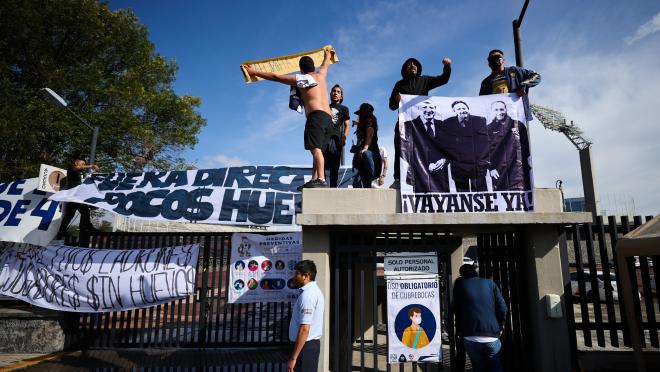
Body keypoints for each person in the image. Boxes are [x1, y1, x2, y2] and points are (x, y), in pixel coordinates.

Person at [243, 49, 335, 189]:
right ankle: (315, 179)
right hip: (329, 119)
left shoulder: (303, 79)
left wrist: (254, 72)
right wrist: (328, 55)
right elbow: (325, 65)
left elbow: (275, 77)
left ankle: (321, 179)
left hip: (316, 117)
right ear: (313, 67)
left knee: (315, 149)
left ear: (301, 69)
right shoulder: (321, 75)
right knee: (318, 151)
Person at [479, 49, 539, 190]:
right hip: (496, 126)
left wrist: (523, 85)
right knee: (497, 151)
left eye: (498, 57)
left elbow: (536, 76)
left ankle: (524, 185)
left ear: (503, 59)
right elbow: (480, 103)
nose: (495, 60)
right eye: (491, 58)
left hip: (516, 119)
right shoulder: (486, 82)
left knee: (518, 149)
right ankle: (500, 185)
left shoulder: (514, 72)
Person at [388, 56, 452, 189]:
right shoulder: (399, 84)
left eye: (415, 65)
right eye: (409, 65)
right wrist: (396, 99)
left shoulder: (425, 80)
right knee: (401, 149)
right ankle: (398, 179)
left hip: (421, 125)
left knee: (423, 150)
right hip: (403, 124)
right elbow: (391, 106)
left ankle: (424, 178)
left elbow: (443, 79)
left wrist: (447, 67)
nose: (413, 66)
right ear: (405, 69)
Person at [453, 264, 507, 372]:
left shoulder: (460, 286)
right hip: (491, 334)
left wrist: (459, 329)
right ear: (475, 271)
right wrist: (500, 326)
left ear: (462, 275)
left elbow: (456, 310)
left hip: (469, 336)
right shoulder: (490, 284)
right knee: (496, 367)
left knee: (478, 367)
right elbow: (503, 308)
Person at [400, 100, 450, 192]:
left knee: (443, 203)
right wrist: (424, 163)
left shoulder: (443, 125)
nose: (428, 110)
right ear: (418, 109)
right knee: (421, 204)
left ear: (435, 110)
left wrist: (444, 159)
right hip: (418, 174)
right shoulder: (409, 125)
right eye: (425, 107)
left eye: (431, 108)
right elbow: (404, 149)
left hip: (441, 176)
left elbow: (450, 147)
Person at [443, 101, 489, 192]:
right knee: (463, 196)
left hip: (477, 166)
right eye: (459, 109)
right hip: (458, 167)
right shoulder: (448, 122)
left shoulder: (479, 120)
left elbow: (484, 142)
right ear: (454, 111)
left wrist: (483, 161)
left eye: (464, 108)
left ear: (468, 109)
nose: (462, 110)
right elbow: (447, 144)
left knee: (482, 195)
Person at [288, 260, 325, 372]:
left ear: (306, 276)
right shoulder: (311, 292)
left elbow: (304, 329)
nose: (294, 276)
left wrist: (293, 358)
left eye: (297, 274)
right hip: (306, 347)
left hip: (305, 348)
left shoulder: (308, 296)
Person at [56, 159, 99, 239]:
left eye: (84, 164)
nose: (83, 165)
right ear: (76, 163)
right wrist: (91, 166)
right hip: (75, 196)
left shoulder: (79, 173)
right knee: (85, 211)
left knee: (70, 215)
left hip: (75, 196)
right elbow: (77, 168)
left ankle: (61, 231)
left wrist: (93, 171)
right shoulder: (71, 170)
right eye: (82, 163)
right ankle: (89, 227)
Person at [487, 101, 524, 191]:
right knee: (501, 200)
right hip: (498, 173)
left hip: (517, 171)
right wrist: (490, 168)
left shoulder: (518, 125)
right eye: (496, 109)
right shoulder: (488, 129)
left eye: (501, 109)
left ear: (506, 109)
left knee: (519, 200)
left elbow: (527, 149)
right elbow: (484, 152)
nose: (499, 112)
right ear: (492, 111)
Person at [324, 84, 351, 187]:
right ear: (330, 94)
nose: (335, 93)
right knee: (321, 163)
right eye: (334, 91)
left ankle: (333, 188)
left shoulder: (344, 108)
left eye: (338, 92)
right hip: (323, 137)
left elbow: (347, 125)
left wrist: (344, 137)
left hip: (335, 138)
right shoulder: (325, 106)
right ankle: (321, 186)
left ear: (341, 96)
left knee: (334, 166)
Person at [352, 103, 381, 188]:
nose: (359, 115)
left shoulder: (369, 120)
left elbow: (370, 134)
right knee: (364, 183)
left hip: (370, 154)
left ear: (366, 112)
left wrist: (365, 148)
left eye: (360, 113)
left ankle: (374, 179)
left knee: (366, 154)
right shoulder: (363, 123)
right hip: (360, 156)